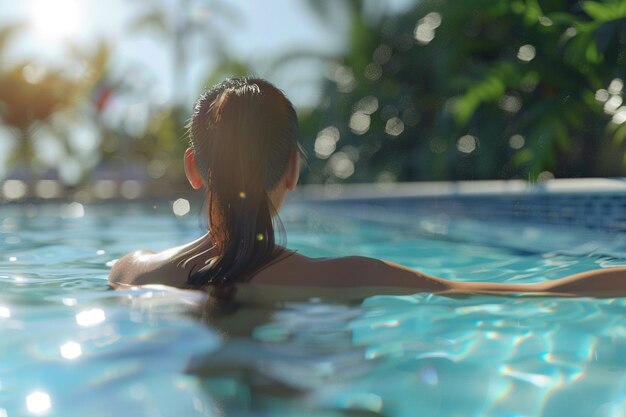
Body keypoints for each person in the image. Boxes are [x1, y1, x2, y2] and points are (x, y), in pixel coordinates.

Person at [108, 77, 626, 300]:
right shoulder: (349, 276)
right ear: (292, 169)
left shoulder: (130, 271)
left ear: (195, 169)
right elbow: (533, 295)